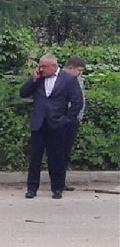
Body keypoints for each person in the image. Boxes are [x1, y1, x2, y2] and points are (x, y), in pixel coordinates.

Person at [20, 53, 83, 199]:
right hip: (39, 123)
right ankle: (32, 188)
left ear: (54, 66)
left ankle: (57, 188)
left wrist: (66, 119)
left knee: (56, 158)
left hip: (57, 124)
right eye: (40, 66)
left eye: (44, 67)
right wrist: (33, 79)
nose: (41, 69)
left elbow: (77, 102)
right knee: (35, 157)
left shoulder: (68, 79)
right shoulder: (38, 78)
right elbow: (23, 93)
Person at [62, 56, 86, 191]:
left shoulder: (79, 80)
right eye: (79, 70)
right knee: (59, 152)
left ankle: (62, 181)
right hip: (63, 119)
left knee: (66, 152)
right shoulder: (61, 79)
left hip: (74, 120)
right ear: (70, 68)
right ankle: (58, 181)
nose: (80, 73)